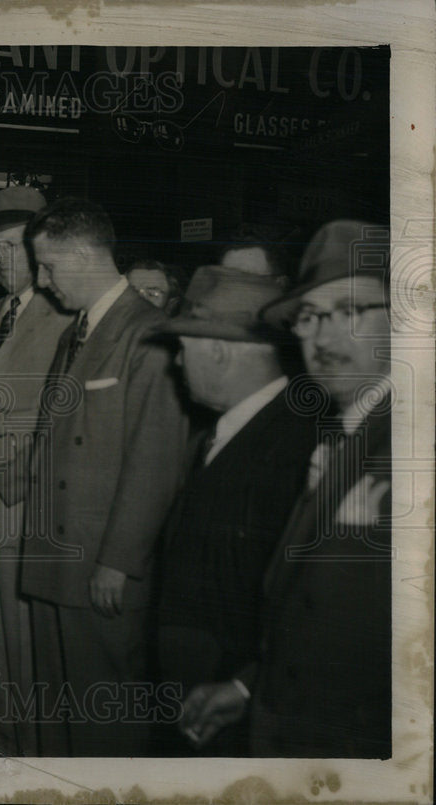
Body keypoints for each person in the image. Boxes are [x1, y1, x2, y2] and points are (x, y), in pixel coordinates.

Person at [0, 198, 188, 756]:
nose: (42, 280)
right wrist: (1, 482)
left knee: (106, 715)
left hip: (100, 563)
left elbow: (156, 462)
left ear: (84, 256)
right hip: (53, 555)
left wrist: (119, 560)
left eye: (48, 266)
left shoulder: (149, 333)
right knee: (61, 712)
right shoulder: (79, 329)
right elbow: (51, 441)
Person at [180, 220, 392, 757]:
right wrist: (249, 685)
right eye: (309, 317)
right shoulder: (344, 436)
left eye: (348, 312)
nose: (323, 337)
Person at [153, 265, 318, 755]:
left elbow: (293, 593)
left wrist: (245, 684)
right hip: (200, 690)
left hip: (232, 701)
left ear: (219, 351)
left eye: (183, 350)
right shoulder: (225, 431)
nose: (177, 365)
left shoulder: (295, 443)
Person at [0, 185, 72, 756]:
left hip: (24, 496)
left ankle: (30, 745)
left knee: (27, 636)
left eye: (10, 248)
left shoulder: (65, 317)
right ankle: (2, 733)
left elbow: (70, 418)